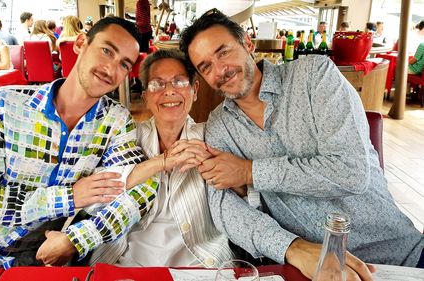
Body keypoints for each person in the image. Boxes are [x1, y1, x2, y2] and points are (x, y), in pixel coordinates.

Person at [179, 8, 424, 279]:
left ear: (248, 43)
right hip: (308, 268)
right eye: (206, 67)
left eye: (223, 52)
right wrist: (291, 248)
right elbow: (224, 208)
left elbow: (351, 171)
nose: (220, 70)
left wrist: (250, 171)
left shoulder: (313, 75)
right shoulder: (220, 126)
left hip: (399, 258)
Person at [0, 16, 159, 269]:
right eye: (106, 51)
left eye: (124, 64)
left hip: (39, 256)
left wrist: (76, 239)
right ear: (81, 43)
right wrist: (69, 197)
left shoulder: (115, 119)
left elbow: (141, 188)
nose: (111, 69)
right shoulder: (3, 103)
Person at [37, 49, 234, 267]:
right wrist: (161, 162)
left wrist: (223, 172)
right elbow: (93, 201)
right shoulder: (126, 137)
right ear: (145, 96)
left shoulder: (212, 137)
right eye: (157, 84)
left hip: (198, 261)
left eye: (179, 82)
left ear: (195, 90)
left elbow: (244, 198)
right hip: (126, 259)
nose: (169, 91)